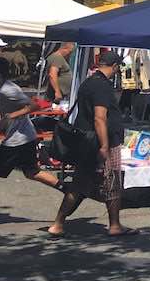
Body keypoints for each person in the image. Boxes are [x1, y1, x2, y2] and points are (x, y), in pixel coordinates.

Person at [47, 50, 133, 238]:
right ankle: (114, 225)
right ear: (115, 67)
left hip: (87, 140)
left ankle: (58, 223)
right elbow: (99, 118)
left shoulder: (88, 82)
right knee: (111, 182)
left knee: (80, 184)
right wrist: (104, 146)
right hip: (102, 141)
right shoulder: (101, 86)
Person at [0, 58, 59, 227]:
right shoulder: (1, 89)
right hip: (25, 137)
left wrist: (12, 116)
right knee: (32, 172)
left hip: (18, 140)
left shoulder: (8, 90)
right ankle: (69, 190)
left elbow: (35, 105)